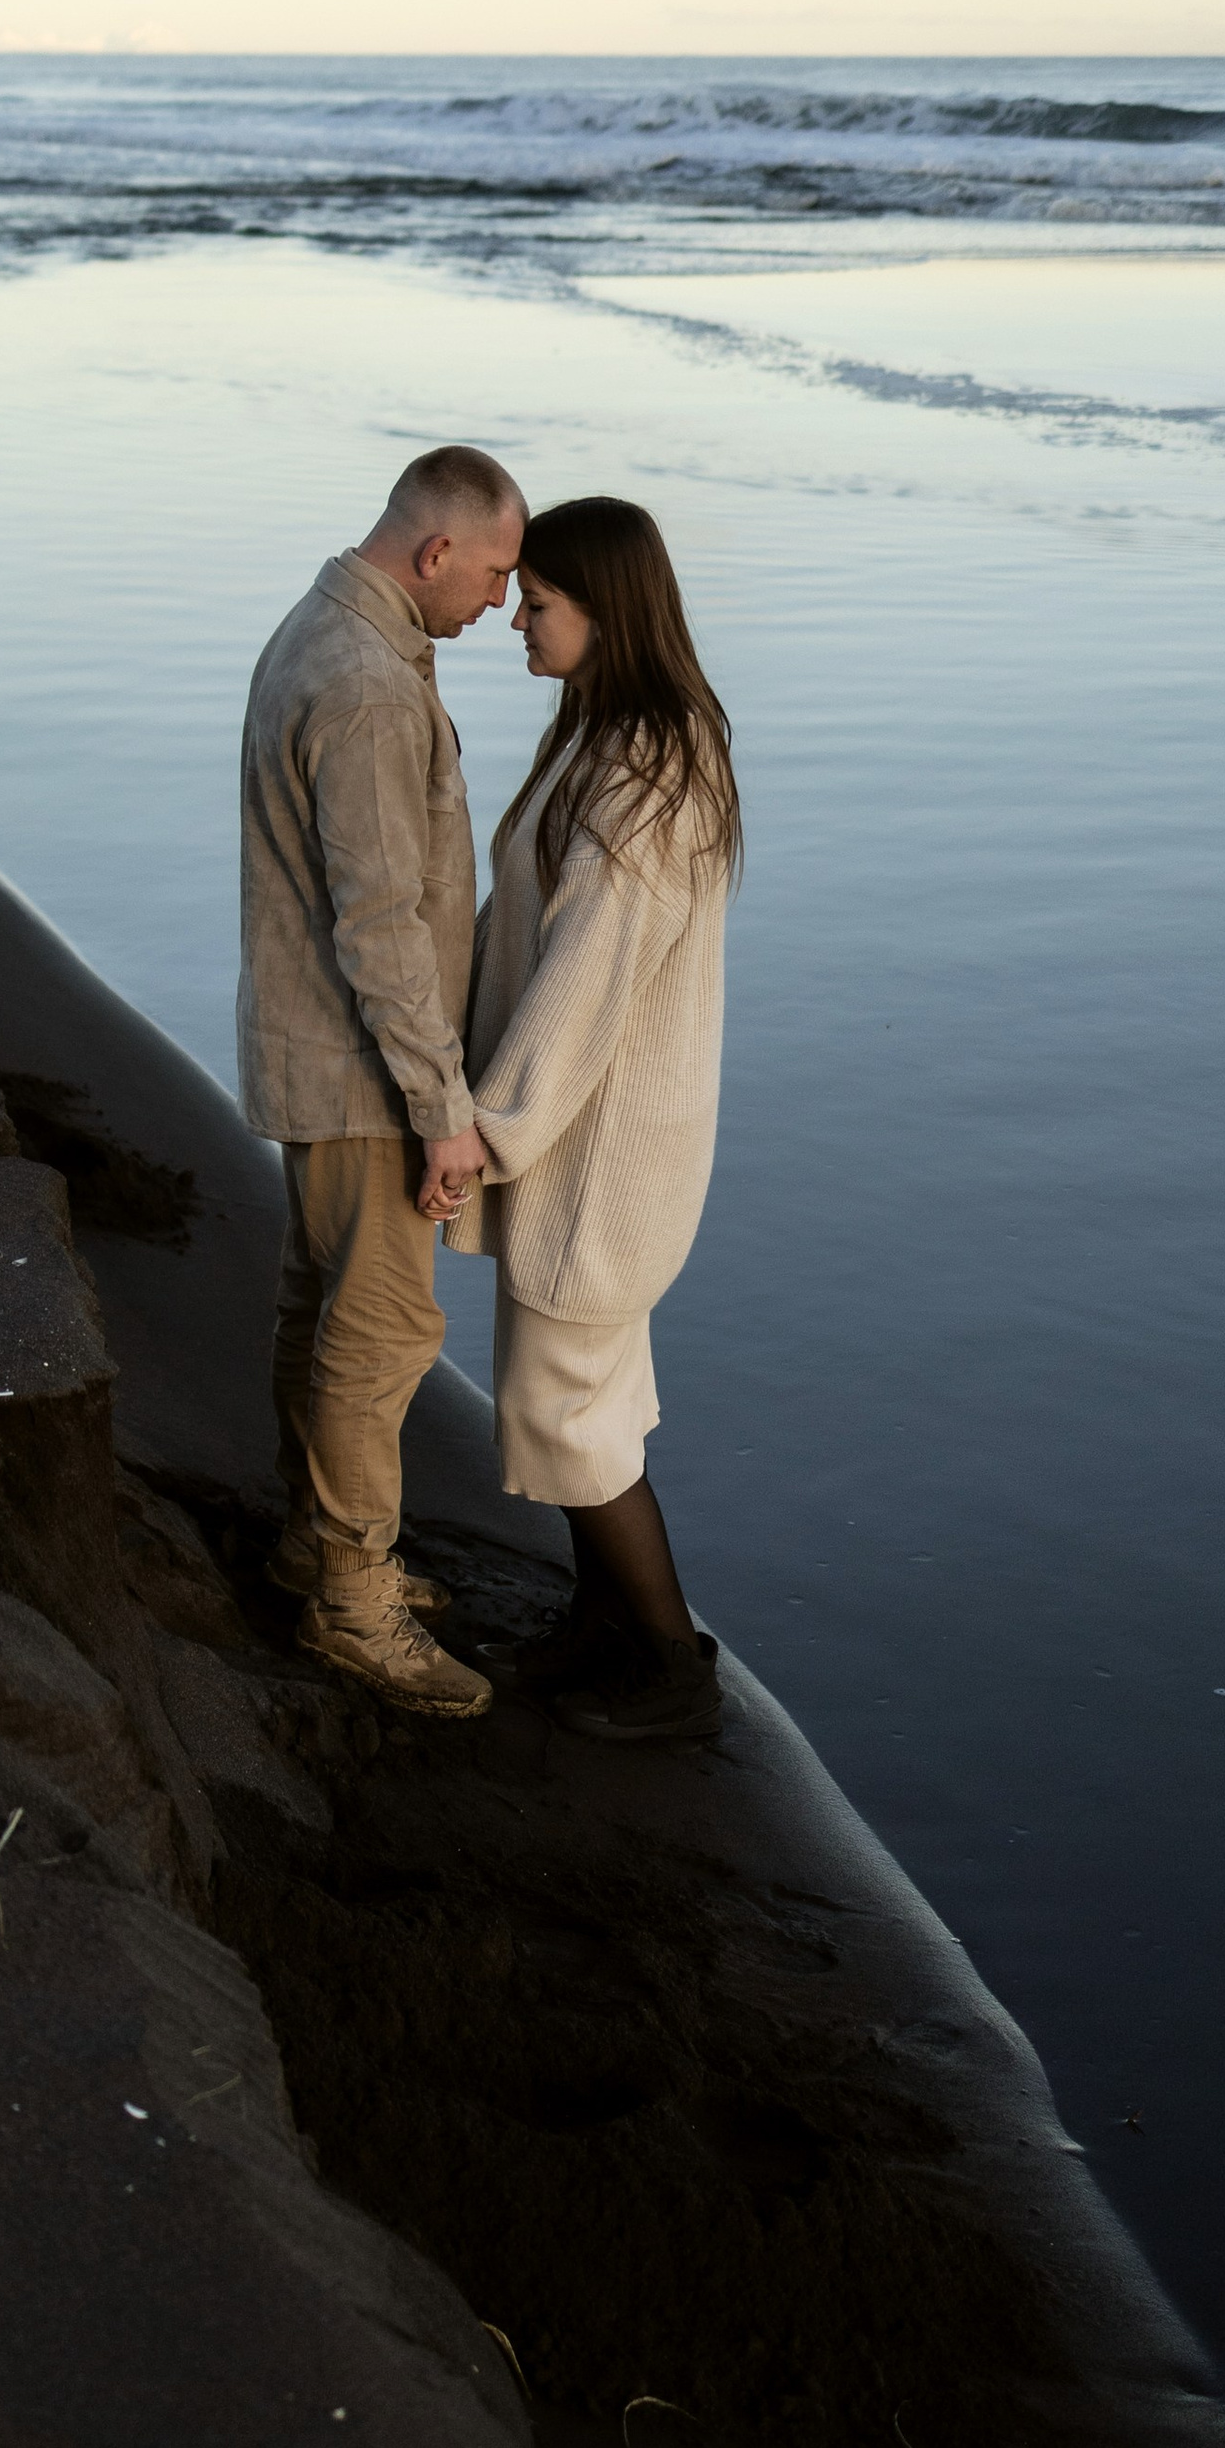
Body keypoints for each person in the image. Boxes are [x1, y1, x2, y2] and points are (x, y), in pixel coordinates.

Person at [428, 495, 740, 1741]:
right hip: (584, 1129)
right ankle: (601, 1623)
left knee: (572, 1410)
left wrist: (484, 1127)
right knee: (580, 1396)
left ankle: (669, 1665)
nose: (514, 614)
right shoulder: (610, 732)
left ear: (605, 609)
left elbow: (585, 979)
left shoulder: (647, 772)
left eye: (539, 599)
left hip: (600, 1145)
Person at [238, 445, 525, 1716]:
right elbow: (380, 925)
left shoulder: (334, 632)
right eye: (497, 571)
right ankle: (351, 1606)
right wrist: (444, 1109)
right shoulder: (364, 685)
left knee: (320, 1309)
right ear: (434, 552)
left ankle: (314, 1540)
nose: (504, 602)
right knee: (382, 1334)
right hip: (362, 1070)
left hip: (318, 1049)